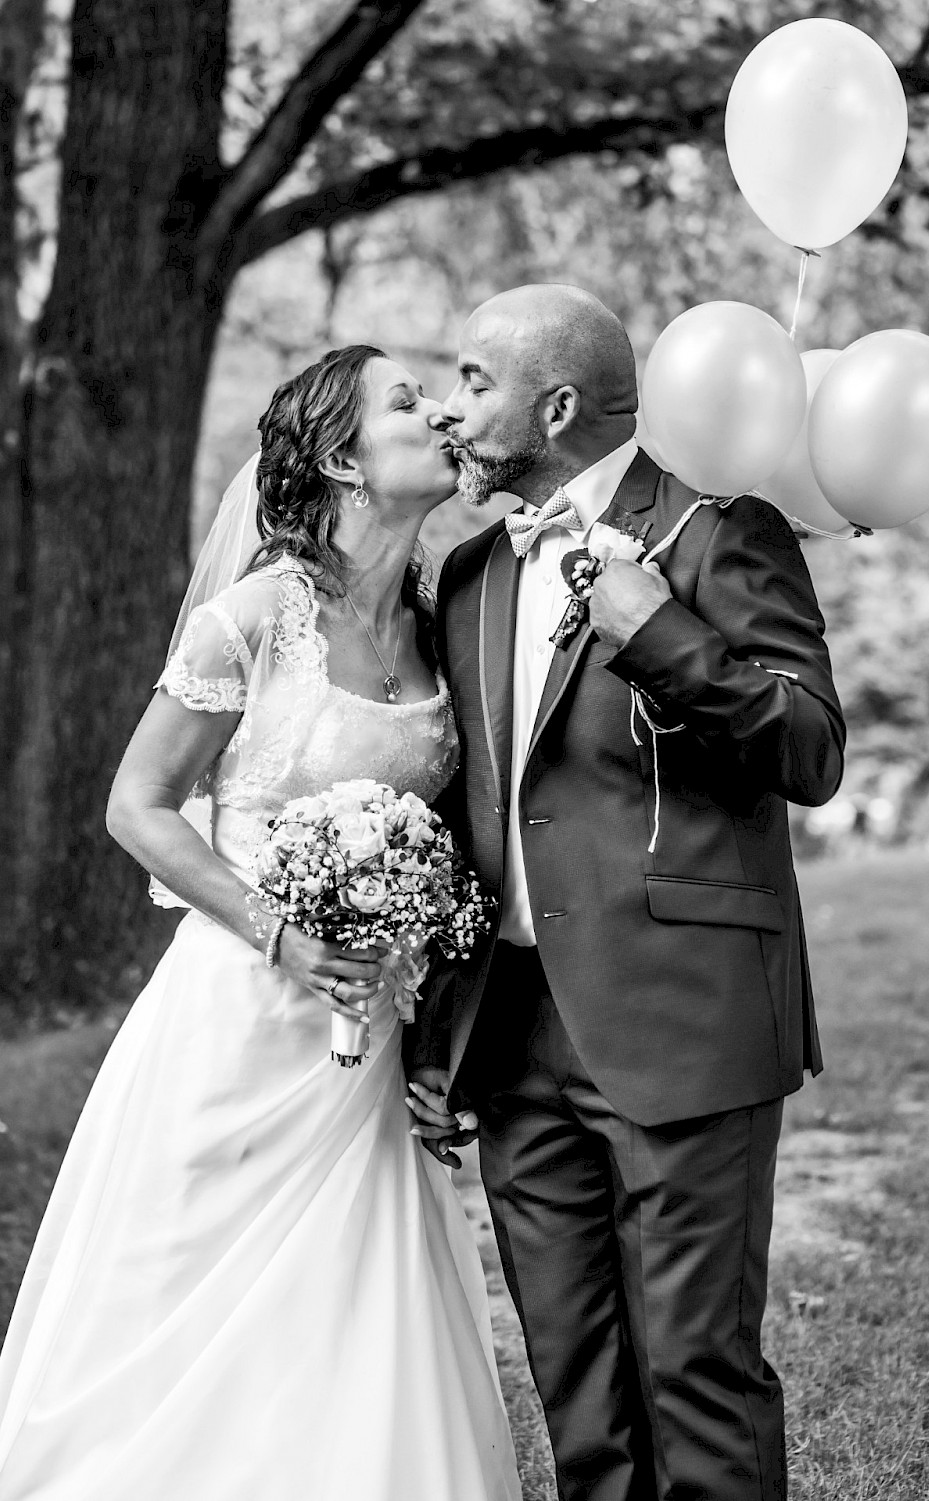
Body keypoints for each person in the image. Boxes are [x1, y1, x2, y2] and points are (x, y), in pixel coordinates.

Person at [0, 347, 522, 1501]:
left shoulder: (444, 624)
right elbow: (135, 807)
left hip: (374, 1038)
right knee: (193, 1316)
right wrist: (283, 933)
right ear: (341, 457)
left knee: (355, 1311)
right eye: (404, 401)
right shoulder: (251, 619)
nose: (440, 409)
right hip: (240, 1024)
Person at [407, 284, 846, 1501]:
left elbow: (809, 747)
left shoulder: (719, 532)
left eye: (471, 379)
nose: (449, 405)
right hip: (513, 1040)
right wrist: (437, 1020)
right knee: (580, 1392)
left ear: (552, 405)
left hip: (681, 1020)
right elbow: (478, 805)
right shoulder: (470, 574)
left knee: (693, 1374)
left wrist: (660, 633)